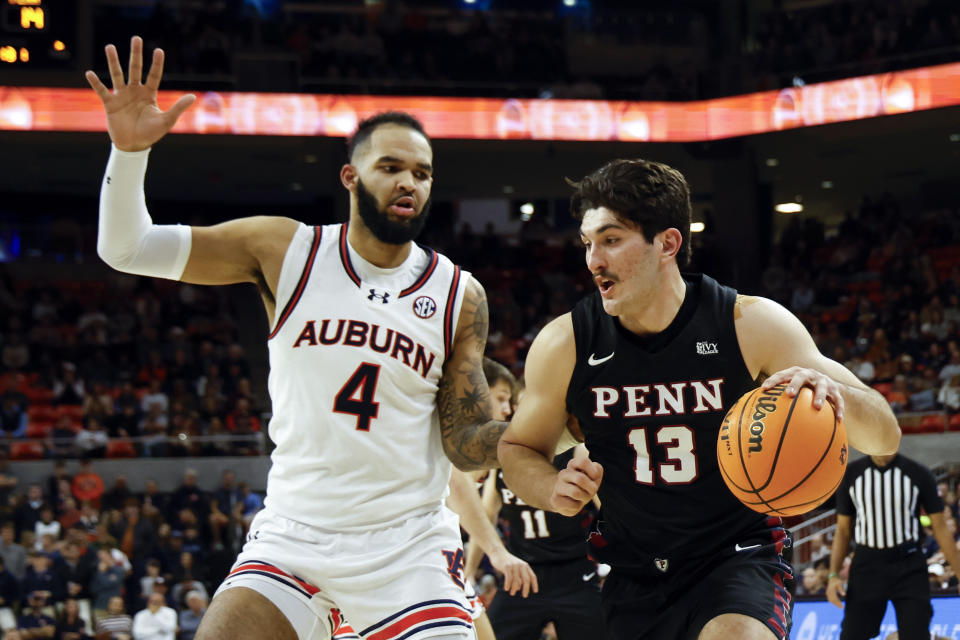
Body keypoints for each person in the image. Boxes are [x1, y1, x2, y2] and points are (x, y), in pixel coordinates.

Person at [86, 36, 508, 640]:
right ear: (350, 176)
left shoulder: (457, 293)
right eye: (389, 167)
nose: (408, 182)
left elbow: (466, 443)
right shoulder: (286, 250)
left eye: (421, 172)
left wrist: (561, 422)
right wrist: (127, 154)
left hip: (406, 546)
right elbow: (125, 247)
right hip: (296, 536)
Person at [498, 158, 901, 640]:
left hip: (736, 556)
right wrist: (550, 490)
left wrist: (840, 400)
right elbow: (518, 449)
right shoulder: (567, 344)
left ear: (667, 243)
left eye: (610, 239)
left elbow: (886, 436)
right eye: (587, 243)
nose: (593, 261)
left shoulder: (749, 325)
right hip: (633, 573)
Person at [826, 452, 960, 640]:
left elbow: (940, 528)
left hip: (909, 563)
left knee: (916, 634)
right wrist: (833, 575)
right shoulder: (852, 474)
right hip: (867, 564)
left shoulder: (918, 473)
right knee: (852, 634)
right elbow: (843, 531)